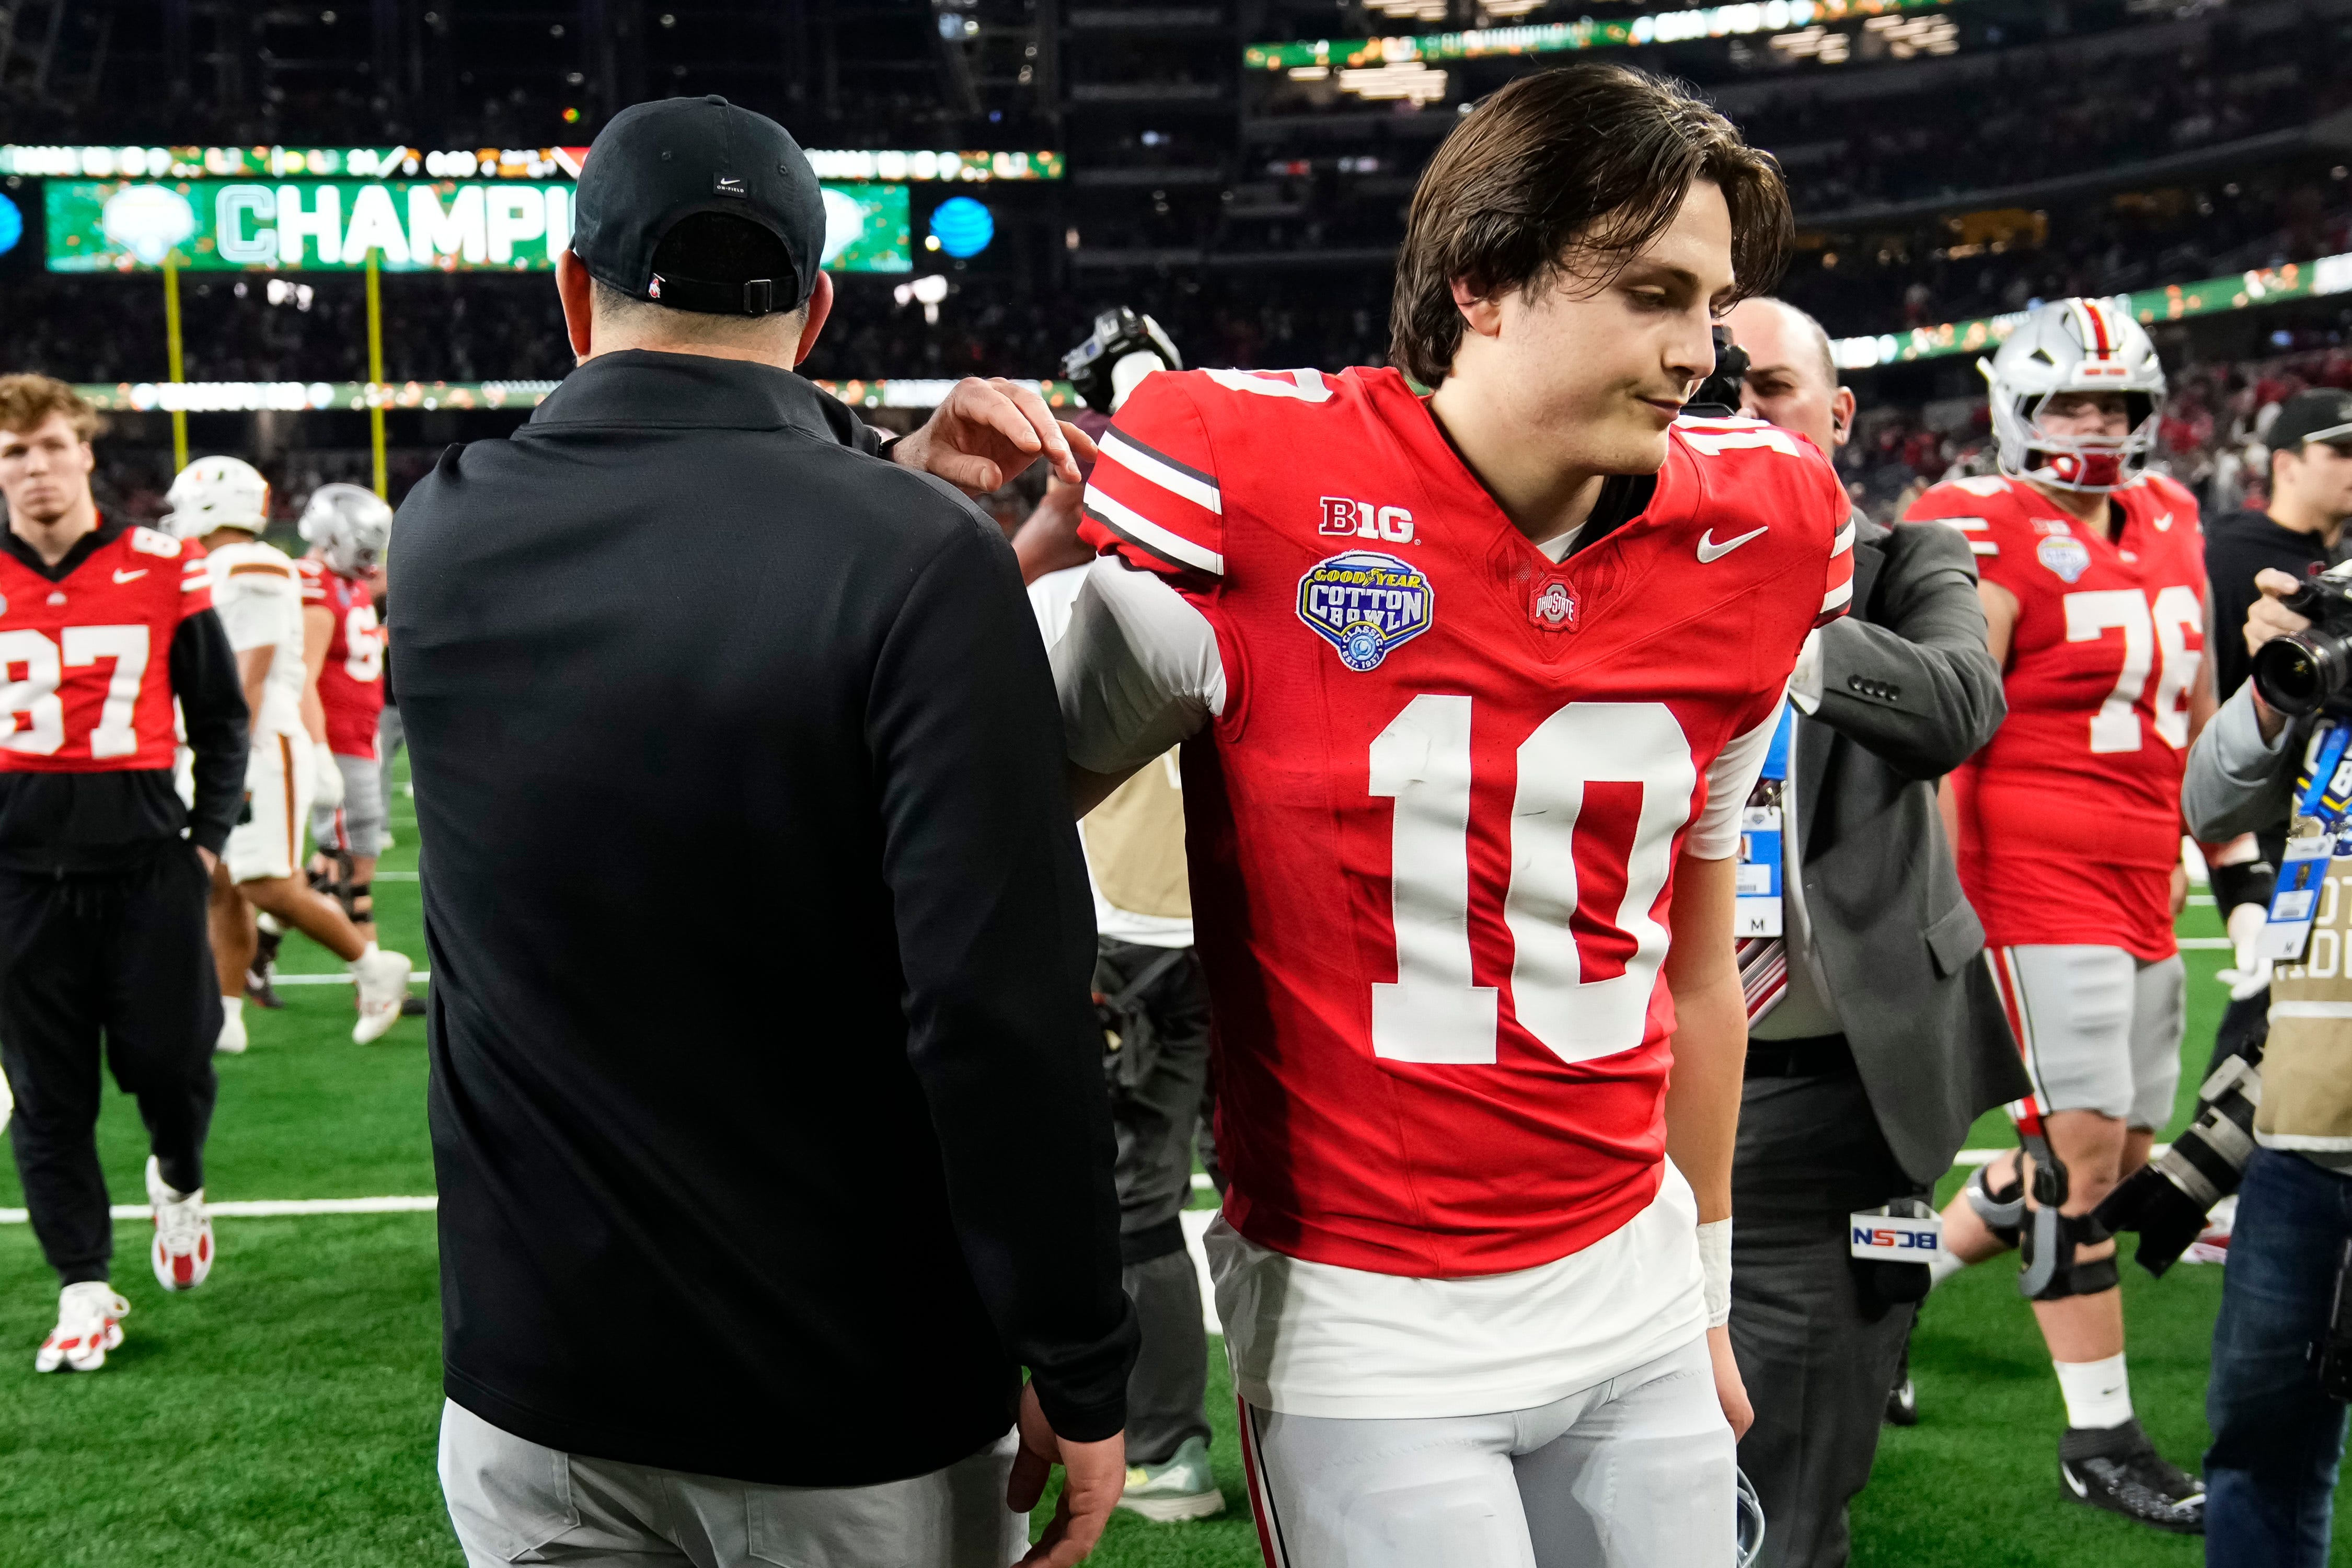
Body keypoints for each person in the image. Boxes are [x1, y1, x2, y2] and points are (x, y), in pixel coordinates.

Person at [1050, 64, 1849, 1566]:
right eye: (1650, 295)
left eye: (1714, 304)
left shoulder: (1759, 532)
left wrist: (1708, 1288)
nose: (1697, 353)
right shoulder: (1251, 483)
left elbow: (1697, 970)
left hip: (1631, 1280)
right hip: (1368, 1317)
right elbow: (984, 830)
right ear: (1483, 281)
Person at [398, 96, 1135, 1568]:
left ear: (567, 286)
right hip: (854, 1401)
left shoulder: (442, 528)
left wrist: (881, 478)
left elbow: (713, 563)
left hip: (539, 1385)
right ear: (817, 309)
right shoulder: (916, 558)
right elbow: (995, 1009)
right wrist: (1081, 1352)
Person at [1717, 296, 2023, 1567]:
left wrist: (1752, 599)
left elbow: (1955, 703)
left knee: (1793, 1479)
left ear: (1836, 414)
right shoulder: (1592, 569)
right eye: (1708, 390)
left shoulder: (1912, 560)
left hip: (1824, 1097)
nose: (1737, 413)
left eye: (1769, 387)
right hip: (1618, 1090)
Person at [1910, 297, 2212, 1531]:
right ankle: (2096, 1433)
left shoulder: (2174, 514)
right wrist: (1927, 905)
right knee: (2074, 1159)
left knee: (2116, 1153)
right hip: (2029, 880)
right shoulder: (1973, 525)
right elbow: (1941, 730)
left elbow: (2192, 705)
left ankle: (1884, 1287)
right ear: (2013, 410)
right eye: (2067, 403)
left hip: (2143, 873)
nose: (2093, 427)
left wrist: (2223, 849)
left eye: (2115, 405)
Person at [0, 376, 247, 1369]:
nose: (36, 469)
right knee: (47, 1091)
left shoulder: (163, 565)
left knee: (171, 1065)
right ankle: (84, 1287)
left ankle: (178, 1178)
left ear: (87, 453)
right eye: (16, 453)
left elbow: (220, 717)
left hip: (147, 866)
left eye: (52, 447)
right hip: (18, 876)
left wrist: (208, 838)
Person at [1028, 313, 1224, 1526]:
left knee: (1131, 1197)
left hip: (1124, 931)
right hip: (1253, 929)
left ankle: (1166, 1444)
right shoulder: (1284, 556)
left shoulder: (1078, 590)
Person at [2182, 563, 2352, 1567]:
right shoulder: (2334, 646)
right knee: (2258, 1447)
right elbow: (2209, 801)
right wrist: (2274, 680)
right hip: (2300, 1133)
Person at [162, 457, 411, 1052]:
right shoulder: (222, 564)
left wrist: (212, 751)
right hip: (234, 742)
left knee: (268, 882)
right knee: (222, 881)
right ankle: (224, 1014)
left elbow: (249, 669)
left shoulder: (252, 566)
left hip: (255, 744)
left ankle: (375, 968)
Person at [296, 484, 393, 941]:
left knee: (342, 862)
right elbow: (304, 677)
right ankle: (373, 981)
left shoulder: (348, 584)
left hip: (362, 734)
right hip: (338, 740)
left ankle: (263, 944)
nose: (372, 559)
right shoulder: (314, 585)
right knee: (352, 864)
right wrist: (318, 751)